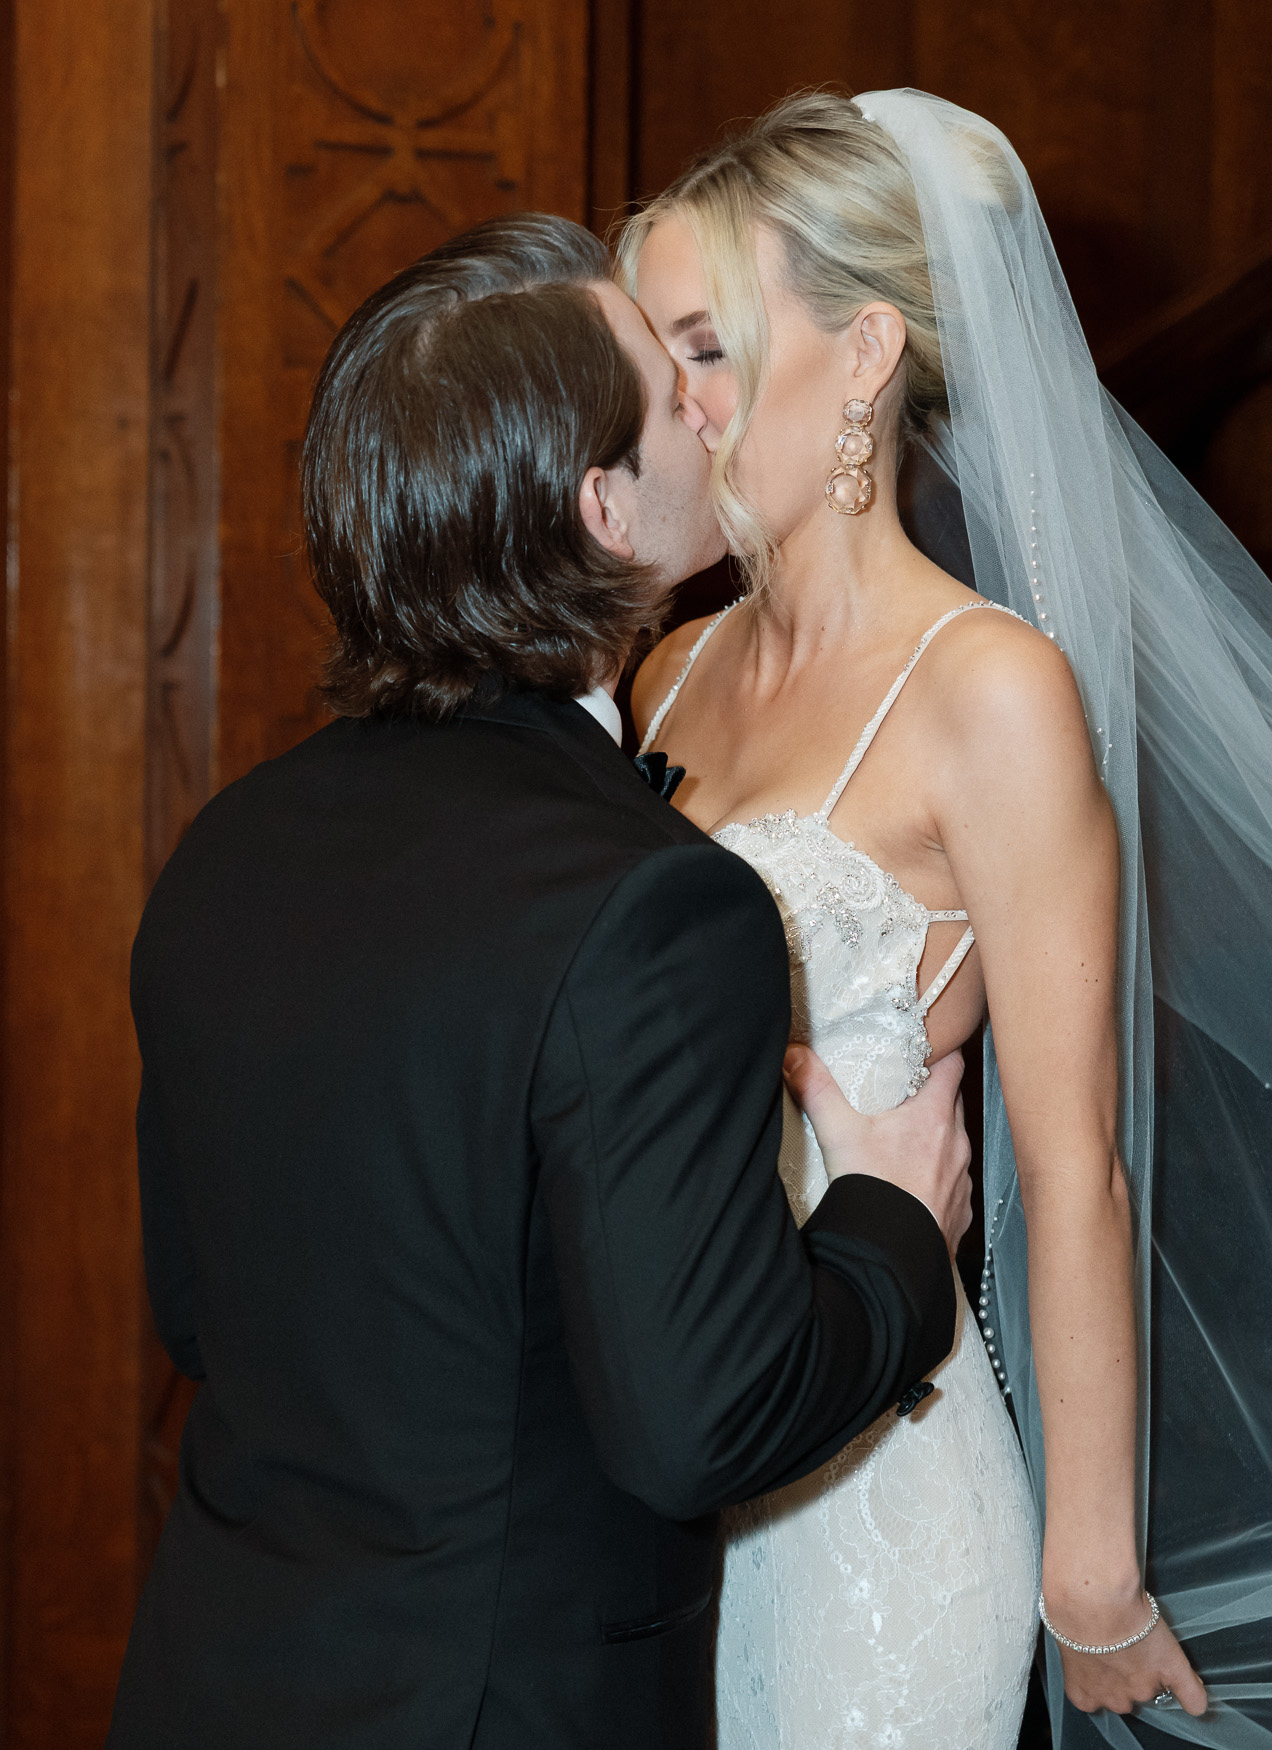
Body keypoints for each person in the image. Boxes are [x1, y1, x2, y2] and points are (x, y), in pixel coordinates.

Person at [105, 213, 977, 1750]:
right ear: (603, 512)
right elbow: (696, 1415)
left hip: (220, 1678)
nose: (712, 406)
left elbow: (202, 1307)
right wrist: (893, 1223)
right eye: (672, 387)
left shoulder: (227, 849)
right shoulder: (659, 908)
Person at [624, 88, 1272, 1749]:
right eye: (655, 351)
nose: (667, 403)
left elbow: (1073, 1163)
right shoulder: (665, 671)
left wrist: (1095, 1575)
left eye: (707, 345)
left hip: (877, 1506)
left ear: (862, 356)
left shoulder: (989, 690)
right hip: (659, 1482)